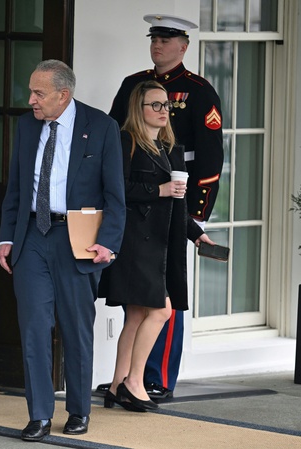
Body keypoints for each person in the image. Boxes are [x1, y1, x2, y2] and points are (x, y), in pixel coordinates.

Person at [0, 60, 125, 442]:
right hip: (32, 236)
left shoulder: (101, 127)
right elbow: (15, 187)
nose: (30, 100)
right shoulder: (25, 125)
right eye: (31, 91)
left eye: (38, 93)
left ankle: (79, 410)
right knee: (34, 327)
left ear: (62, 95)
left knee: (76, 329)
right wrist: (6, 237)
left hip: (79, 239)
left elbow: (116, 195)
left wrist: (109, 242)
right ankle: (38, 414)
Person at [98, 13, 224, 399]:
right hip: (138, 208)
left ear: (183, 46)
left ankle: (156, 376)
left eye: (167, 40)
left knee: (166, 299)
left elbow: (210, 155)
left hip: (174, 203)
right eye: (155, 39)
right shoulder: (133, 86)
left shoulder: (199, 90)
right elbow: (112, 143)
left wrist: (194, 215)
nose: (158, 45)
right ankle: (127, 377)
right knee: (139, 302)